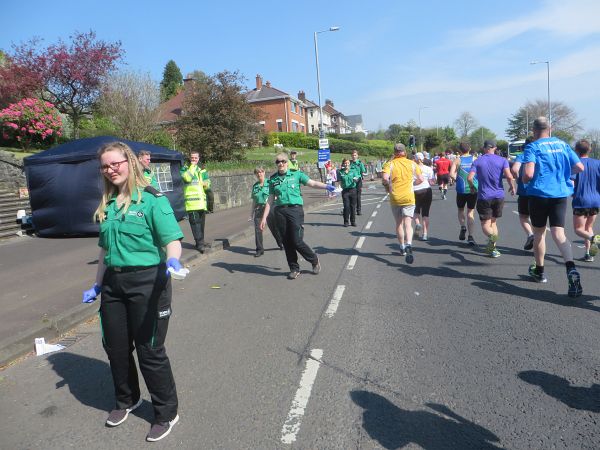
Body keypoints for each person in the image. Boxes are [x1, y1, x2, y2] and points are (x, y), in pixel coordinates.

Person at [82, 141, 183, 442]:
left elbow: (172, 239)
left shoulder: (152, 200)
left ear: (130, 162)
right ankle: (127, 399)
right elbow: (103, 251)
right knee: (115, 347)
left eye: (116, 163)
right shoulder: (108, 204)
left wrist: (174, 258)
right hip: (114, 283)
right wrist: (98, 283)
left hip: (148, 282)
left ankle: (166, 412)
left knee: (149, 351)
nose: (111, 169)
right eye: (105, 166)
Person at [522, 117, 585, 297]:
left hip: (539, 194)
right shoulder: (563, 144)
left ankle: (540, 272)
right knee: (559, 233)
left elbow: (528, 173)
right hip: (560, 194)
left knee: (540, 233)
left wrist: (526, 181)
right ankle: (571, 269)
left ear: (534, 130)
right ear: (550, 128)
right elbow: (580, 167)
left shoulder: (533, 147)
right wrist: (564, 174)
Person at [260, 153, 336, 279]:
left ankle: (314, 259)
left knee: (297, 240)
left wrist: (327, 186)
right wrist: (264, 218)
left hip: (295, 210)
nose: (280, 164)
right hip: (280, 212)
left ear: (287, 162)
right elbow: (270, 199)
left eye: (283, 161)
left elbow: (312, 183)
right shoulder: (273, 179)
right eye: (278, 162)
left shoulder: (296, 174)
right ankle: (294, 268)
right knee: (286, 242)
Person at [468, 140, 516, 258]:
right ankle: (493, 248)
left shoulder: (478, 161)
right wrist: (512, 187)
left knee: (485, 223)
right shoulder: (503, 160)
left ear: (484, 148)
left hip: (484, 196)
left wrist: (472, 187)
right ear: (494, 148)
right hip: (499, 196)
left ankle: (492, 238)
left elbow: (470, 178)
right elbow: (509, 176)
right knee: (493, 222)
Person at [382, 143, 423, 264]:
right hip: (408, 197)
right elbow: (421, 179)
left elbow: (385, 178)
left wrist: (388, 186)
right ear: (404, 152)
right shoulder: (412, 163)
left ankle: (402, 247)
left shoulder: (390, 164)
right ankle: (409, 243)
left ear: (394, 153)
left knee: (398, 223)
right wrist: (412, 184)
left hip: (395, 197)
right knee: (408, 223)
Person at [571, 139, 600, 262]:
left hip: (581, 200)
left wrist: (572, 194)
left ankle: (594, 239)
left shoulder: (575, 164)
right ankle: (589, 254)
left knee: (579, 229)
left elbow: (571, 183)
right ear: (590, 149)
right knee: (588, 228)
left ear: (576, 150)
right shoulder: (598, 163)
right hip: (595, 200)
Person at [180, 151, 211, 253]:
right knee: (195, 224)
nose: (194, 159)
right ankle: (199, 244)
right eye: (192, 158)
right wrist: (192, 167)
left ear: (198, 158)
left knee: (201, 224)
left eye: (195, 158)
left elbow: (208, 182)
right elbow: (187, 178)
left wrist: (205, 184)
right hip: (191, 203)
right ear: (190, 158)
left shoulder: (201, 170)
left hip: (201, 203)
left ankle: (201, 241)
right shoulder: (185, 168)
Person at [250, 167, 283, 257]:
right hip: (259, 209)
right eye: (257, 173)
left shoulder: (270, 183)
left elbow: (276, 194)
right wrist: (251, 213)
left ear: (264, 173)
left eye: (261, 172)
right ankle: (259, 249)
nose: (259, 174)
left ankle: (281, 243)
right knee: (258, 230)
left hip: (269, 208)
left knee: (274, 228)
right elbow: (254, 201)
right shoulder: (255, 186)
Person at [449, 142, 478, 245]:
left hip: (461, 189)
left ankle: (463, 226)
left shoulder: (457, 160)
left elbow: (451, 173)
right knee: (470, 213)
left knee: (460, 209)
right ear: (469, 148)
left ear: (460, 150)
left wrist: (457, 180)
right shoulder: (475, 159)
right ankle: (471, 236)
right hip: (472, 189)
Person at [510, 137, 535, 250]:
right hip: (538, 191)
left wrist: (518, 178)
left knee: (523, 217)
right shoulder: (540, 155)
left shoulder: (522, 156)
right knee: (538, 220)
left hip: (524, 191)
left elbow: (515, 169)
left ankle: (530, 234)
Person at [413, 153, 435, 241]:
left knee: (415, 210)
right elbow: (432, 181)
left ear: (415, 159)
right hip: (426, 190)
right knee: (426, 213)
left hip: (415, 190)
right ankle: (425, 234)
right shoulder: (429, 168)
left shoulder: (412, 168)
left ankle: (418, 224)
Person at [337, 158, 359, 227]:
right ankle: (346, 221)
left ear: (350, 164)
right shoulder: (340, 172)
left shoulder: (353, 171)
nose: (346, 164)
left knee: (353, 207)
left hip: (353, 190)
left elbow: (357, 178)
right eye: (345, 163)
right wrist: (339, 188)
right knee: (346, 207)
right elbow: (339, 181)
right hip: (345, 191)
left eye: (348, 163)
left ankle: (353, 221)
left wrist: (356, 180)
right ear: (343, 164)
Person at [350, 150, 368, 215]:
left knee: (358, 196)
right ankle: (352, 210)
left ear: (357, 156)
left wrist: (364, 174)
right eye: (352, 155)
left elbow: (363, 172)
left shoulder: (360, 163)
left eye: (355, 155)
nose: (354, 156)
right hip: (351, 181)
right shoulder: (350, 163)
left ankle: (358, 210)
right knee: (352, 196)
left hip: (358, 181)